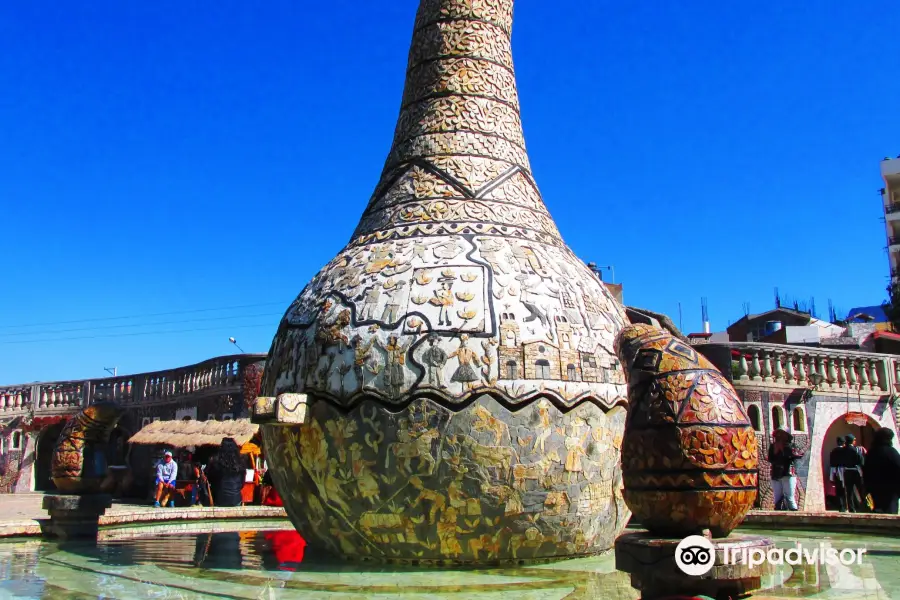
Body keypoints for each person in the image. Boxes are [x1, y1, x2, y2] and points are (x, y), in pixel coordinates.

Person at [864, 428, 900, 514]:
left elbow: (866, 470)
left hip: (874, 489)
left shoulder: (871, 452)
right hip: (890, 491)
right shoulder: (892, 452)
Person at [768, 428, 804, 511]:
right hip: (776, 474)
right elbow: (770, 459)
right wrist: (776, 452)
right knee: (777, 498)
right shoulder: (773, 446)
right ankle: (778, 515)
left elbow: (796, 455)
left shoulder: (791, 446)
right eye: (778, 434)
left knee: (790, 497)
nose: (780, 436)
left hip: (788, 474)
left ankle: (794, 516)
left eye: (782, 434)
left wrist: (784, 450)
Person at [205, 438, 245, 507]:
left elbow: (210, 479)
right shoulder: (241, 463)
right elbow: (242, 484)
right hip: (236, 500)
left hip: (220, 499)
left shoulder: (216, 462)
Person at [841, 434, 865, 512]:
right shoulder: (856, 450)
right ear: (853, 441)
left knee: (849, 491)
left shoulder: (842, 450)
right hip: (856, 471)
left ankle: (851, 508)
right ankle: (868, 506)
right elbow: (861, 461)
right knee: (862, 490)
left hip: (847, 472)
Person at [828, 437, 848, 512]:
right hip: (844, 471)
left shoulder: (833, 451)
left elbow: (831, 462)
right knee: (845, 489)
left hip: (835, 472)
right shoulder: (844, 451)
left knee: (838, 489)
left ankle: (841, 506)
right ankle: (846, 506)